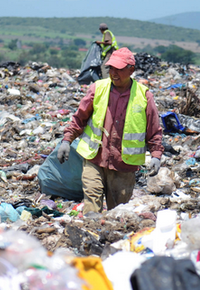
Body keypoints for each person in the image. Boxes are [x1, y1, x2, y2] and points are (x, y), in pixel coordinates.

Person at [58, 47, 163, 213]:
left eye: (119, 69)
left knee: (117, 212)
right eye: (111, 68)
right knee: (91, 204)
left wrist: (156, 155)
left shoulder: (144, 96)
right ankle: (91, 226)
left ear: (131, 70)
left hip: (123, 165)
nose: (113, 73)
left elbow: (154, 129)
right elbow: (79, 118)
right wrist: (66, 140)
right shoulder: (98, 89)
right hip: (95, 158)